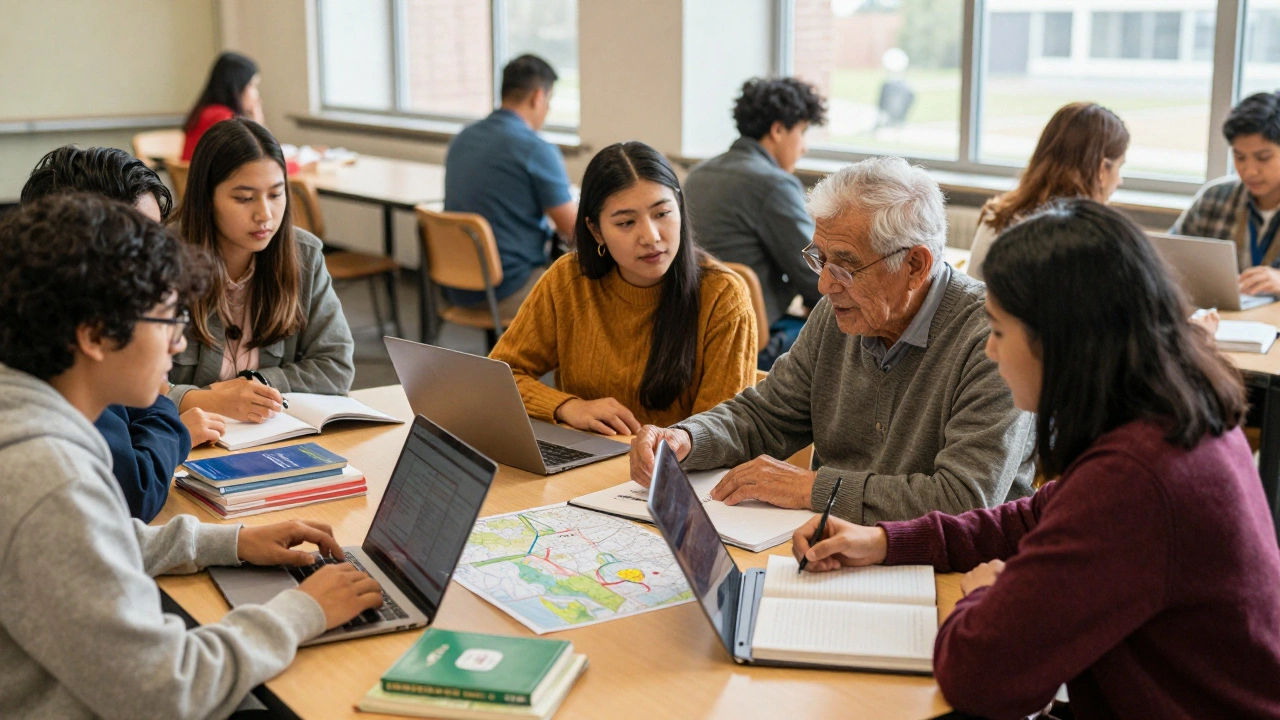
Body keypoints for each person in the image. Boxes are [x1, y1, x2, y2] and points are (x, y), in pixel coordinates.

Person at [791, 198, 1280, 719]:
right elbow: (1035, 516)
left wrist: (981, 596)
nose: (990, 352)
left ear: (1062, 342)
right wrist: (887, 542)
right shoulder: (1166, 418)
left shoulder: (1136, 478)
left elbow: (979, 674)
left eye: (1000, 331)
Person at [0, 193, 385, 719]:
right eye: (166, 320)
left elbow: (89, 540)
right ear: (92, 335)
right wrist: (303, 610)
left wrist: (231, 541)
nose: (179, 345)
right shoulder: (49, 479)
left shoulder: (23, 416)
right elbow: (165, 690)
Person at [628, 156, 1036, 523]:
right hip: (836, 544)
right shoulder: (842, 313)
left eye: (845, 265)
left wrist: (811, 489)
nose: (824, 285)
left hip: (953, 569)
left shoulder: (994, 338)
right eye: (820, 258)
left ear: (915, 265)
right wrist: (684, 438)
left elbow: (963, 499)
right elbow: (765, 415)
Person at [489, 141, 757, 434]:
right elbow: (498, 376)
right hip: (584, 465)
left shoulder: (723, 296)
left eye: (662, 213)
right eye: (627, 222)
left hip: (673, 473)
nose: (651, 236)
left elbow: (719, 434)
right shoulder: (569, 280)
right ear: (595, 230)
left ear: (679, 207)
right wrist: (567, 406)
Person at [19, 145, 225, 521]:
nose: (157, 259)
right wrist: (170, 420)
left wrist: (230, 543)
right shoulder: (68, 371)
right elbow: (131, 496)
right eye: (140, 245)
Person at [169, 118, 354, 420]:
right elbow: (127, 382)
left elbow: (336, 368)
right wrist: (205, 400)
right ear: (206, 198)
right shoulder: (162, 259)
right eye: (244, 198)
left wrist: (256, 387)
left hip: (271, 437)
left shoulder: (303, 256)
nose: (264, 214)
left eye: (276, 194)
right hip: (186, 439)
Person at [683, 77, 828, 370]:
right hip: (750, 343)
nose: (804, 148)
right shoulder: (774, 185)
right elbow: (819, 277)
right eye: (802, 132)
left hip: (690, 336)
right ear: (777, 130)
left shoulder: (698, 174)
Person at [442, 54, 577, 316]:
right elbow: (572, 229)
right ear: (538, 97)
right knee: (584, 293)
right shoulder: (536, 148)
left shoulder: (463, 137)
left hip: (454, 285)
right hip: (509, 288)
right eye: (549, 102)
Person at [967, 102, 1128, 281]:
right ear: (1101, 170)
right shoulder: (1091, 239)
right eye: (1119, 166)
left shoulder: (996, 215)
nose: (1119, 180)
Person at [1173, 91, 1280, 297]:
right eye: (1239, 157)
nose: (1250, 171)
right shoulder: (1214, 198)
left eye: (1263, 158)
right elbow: (1168, 260)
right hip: (1221, 322)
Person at [181, 51, 264, 161]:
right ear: (236, 87)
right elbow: (259, 163)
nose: (256, 94)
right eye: (253, 86)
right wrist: (257, 126)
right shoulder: (225, 121)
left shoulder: (204, 113)